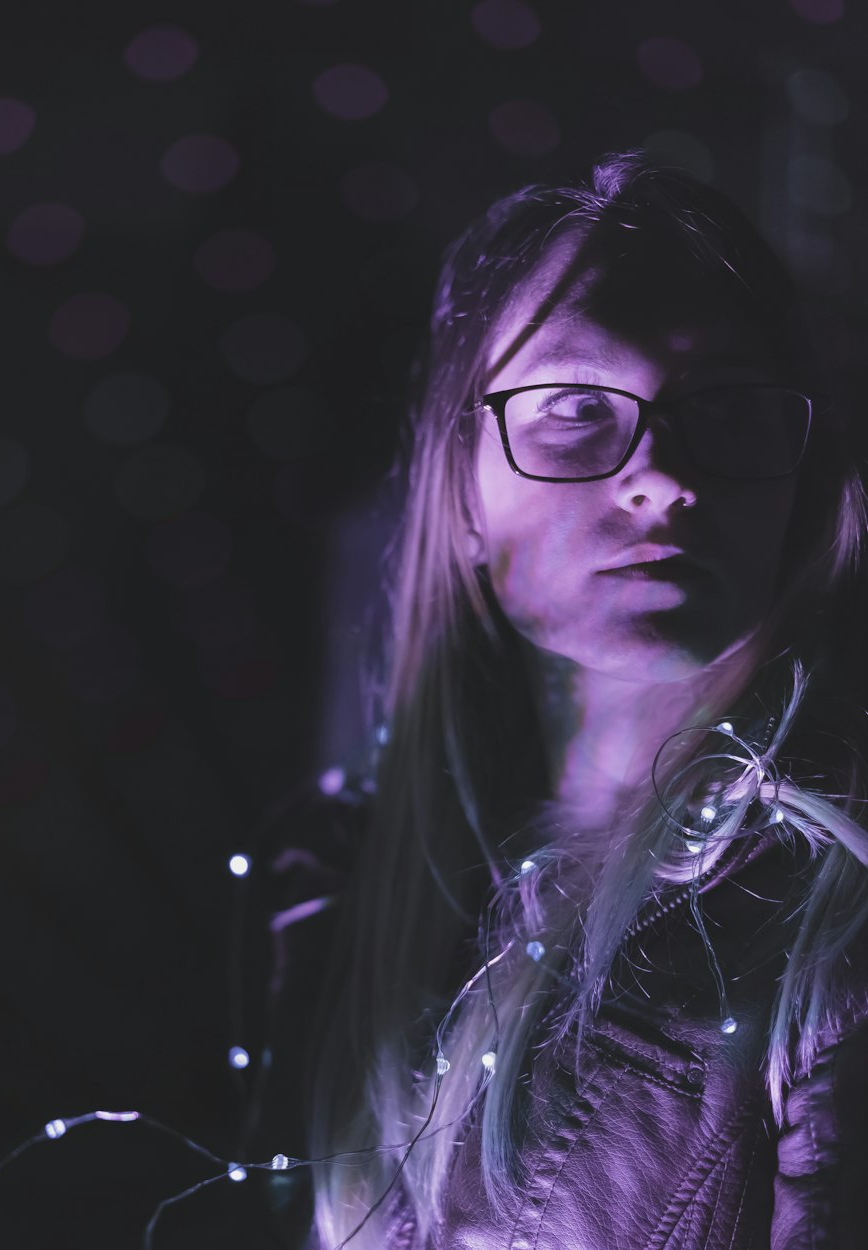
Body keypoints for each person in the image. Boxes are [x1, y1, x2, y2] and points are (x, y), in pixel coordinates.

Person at [299, 153, 868, 1249]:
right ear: (457, 482)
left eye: (730, 407)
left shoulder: (828, 929)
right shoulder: (349, 890)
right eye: (572, 405)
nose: (664, 475)